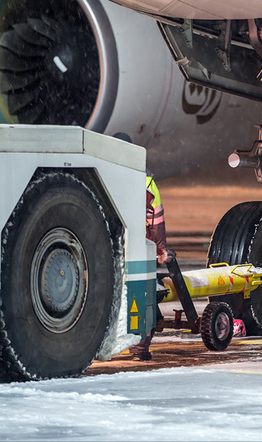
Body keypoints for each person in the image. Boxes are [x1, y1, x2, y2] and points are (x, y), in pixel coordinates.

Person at [113, 132, 173, 360]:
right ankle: (140, 347)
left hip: (115, 249)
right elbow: (156, 221)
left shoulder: (104, 175)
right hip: (141, 249)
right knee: (143, 298)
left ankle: (116, 342)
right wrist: (160, 250)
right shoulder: (146, 182)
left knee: (117, 297)